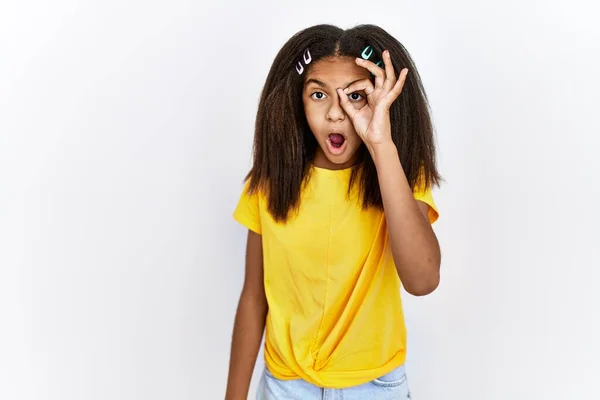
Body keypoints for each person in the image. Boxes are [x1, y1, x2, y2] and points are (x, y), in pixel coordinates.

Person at [225, 23, 442, 400]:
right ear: (297, 100)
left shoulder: (400, 176)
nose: (336, 114)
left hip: (374, 388)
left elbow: (422, 281)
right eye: (318, 94)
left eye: (356, 96)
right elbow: (253, 296)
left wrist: (381, 145)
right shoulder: (270, 181)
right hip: (284, 387)